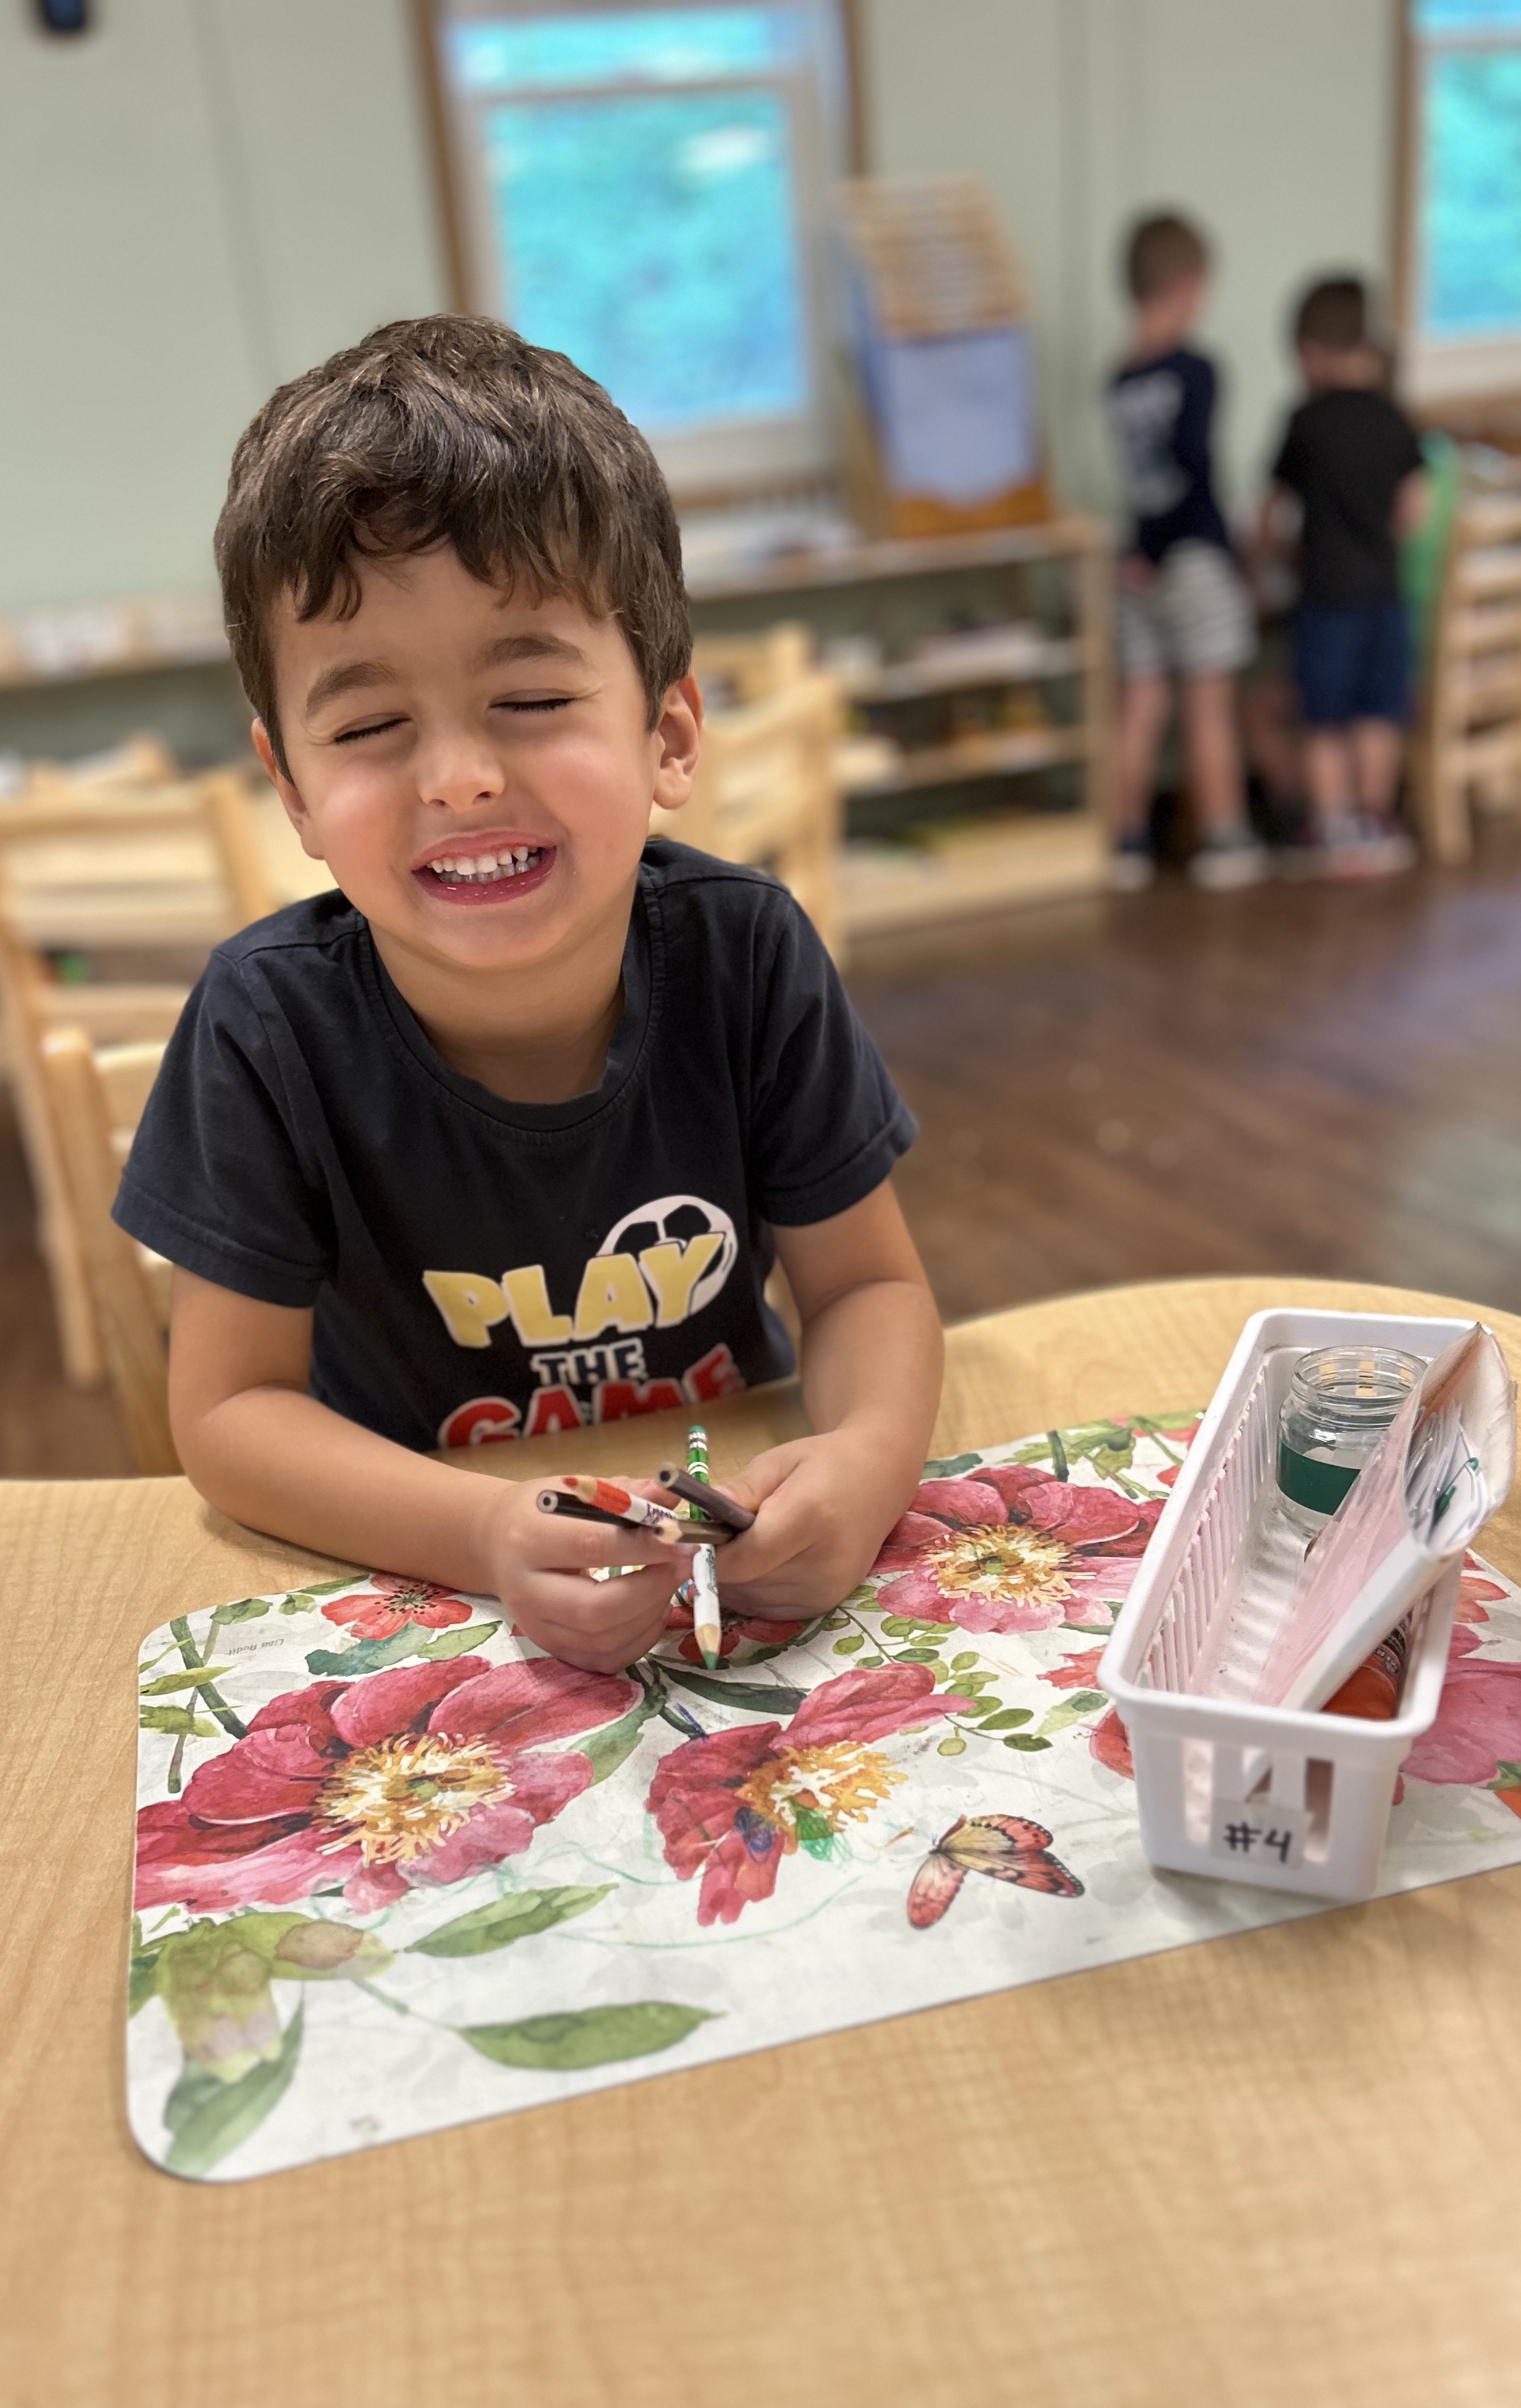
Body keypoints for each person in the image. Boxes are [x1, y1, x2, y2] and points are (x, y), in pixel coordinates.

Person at [113, 316, 942, 1677]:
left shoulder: (747, 955)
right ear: (294, 790)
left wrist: (862, 1458)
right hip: (419, 1578)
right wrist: (486, 1532)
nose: (459, 777)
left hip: (724, 1539)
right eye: (368, 727)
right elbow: (230, 1415)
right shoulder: (264, 1027)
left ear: (665, 732)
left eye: (532, 697)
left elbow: (867, 1289)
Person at [1105, 211, 1266, 893]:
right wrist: (1230, 551)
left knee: (1141, 705)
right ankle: (1224, 839)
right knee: (1209, 705)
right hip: (1194, 557)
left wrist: (1142, 549)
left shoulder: (1119, 379)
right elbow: (1195, 468)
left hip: (1137, 563)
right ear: (1183, 285)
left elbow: (1146, 478)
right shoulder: (1198, 370)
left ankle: (1126, 844)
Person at [1258, 278, 1428, 878]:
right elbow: (1414, 507)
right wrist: (1381, 542)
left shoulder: (1304, 420)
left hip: (1325, 596)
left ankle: (1332, 827)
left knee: (1324, 717)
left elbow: (1270, 514)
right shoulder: (1394, 417)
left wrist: (1278, 556)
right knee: (1379, 711)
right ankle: (1377, 820)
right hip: (1384, 594)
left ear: (1310, 351)